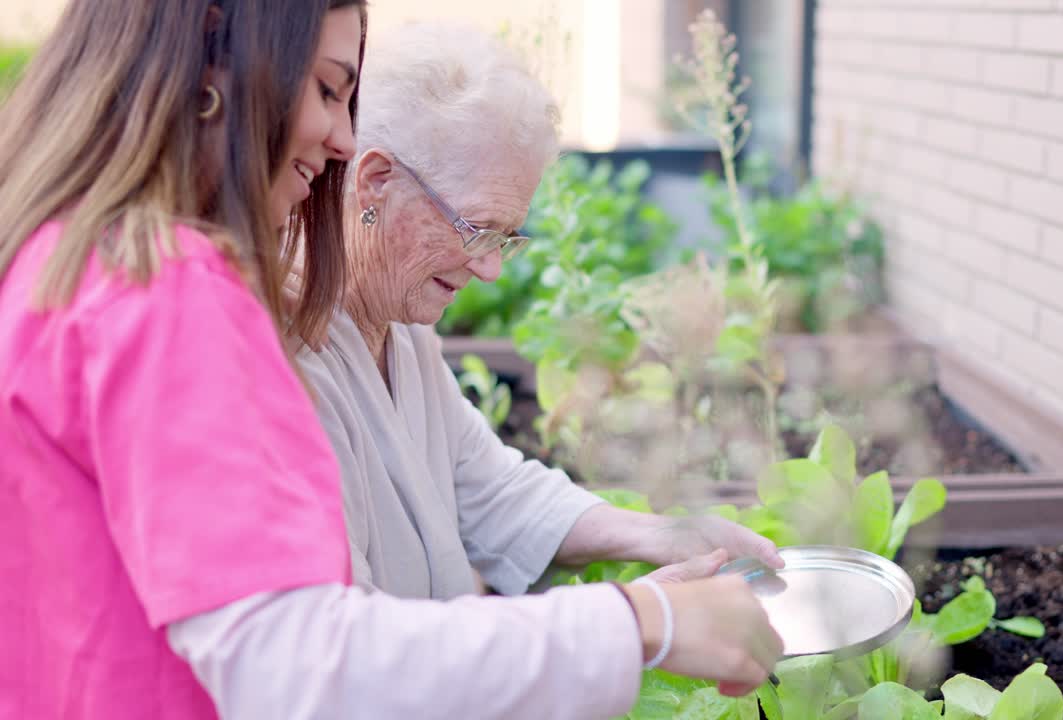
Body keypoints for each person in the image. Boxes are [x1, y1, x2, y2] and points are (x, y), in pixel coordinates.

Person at [0, 3, 781, 720]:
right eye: (330, 89)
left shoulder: (76, 259)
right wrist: (643, 622)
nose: (340, 136)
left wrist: (658, 539)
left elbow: (487, 484)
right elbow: (309, 665)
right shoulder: (182, 299)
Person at [296, 22, 785, 603]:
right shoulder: (292, 358)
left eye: (506, 239)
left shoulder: (401, 328)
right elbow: (350, 641)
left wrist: (666, 535)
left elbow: (493, 490)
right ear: (376, 182)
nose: (491, 269)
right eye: (477, 230)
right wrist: (629, 617)